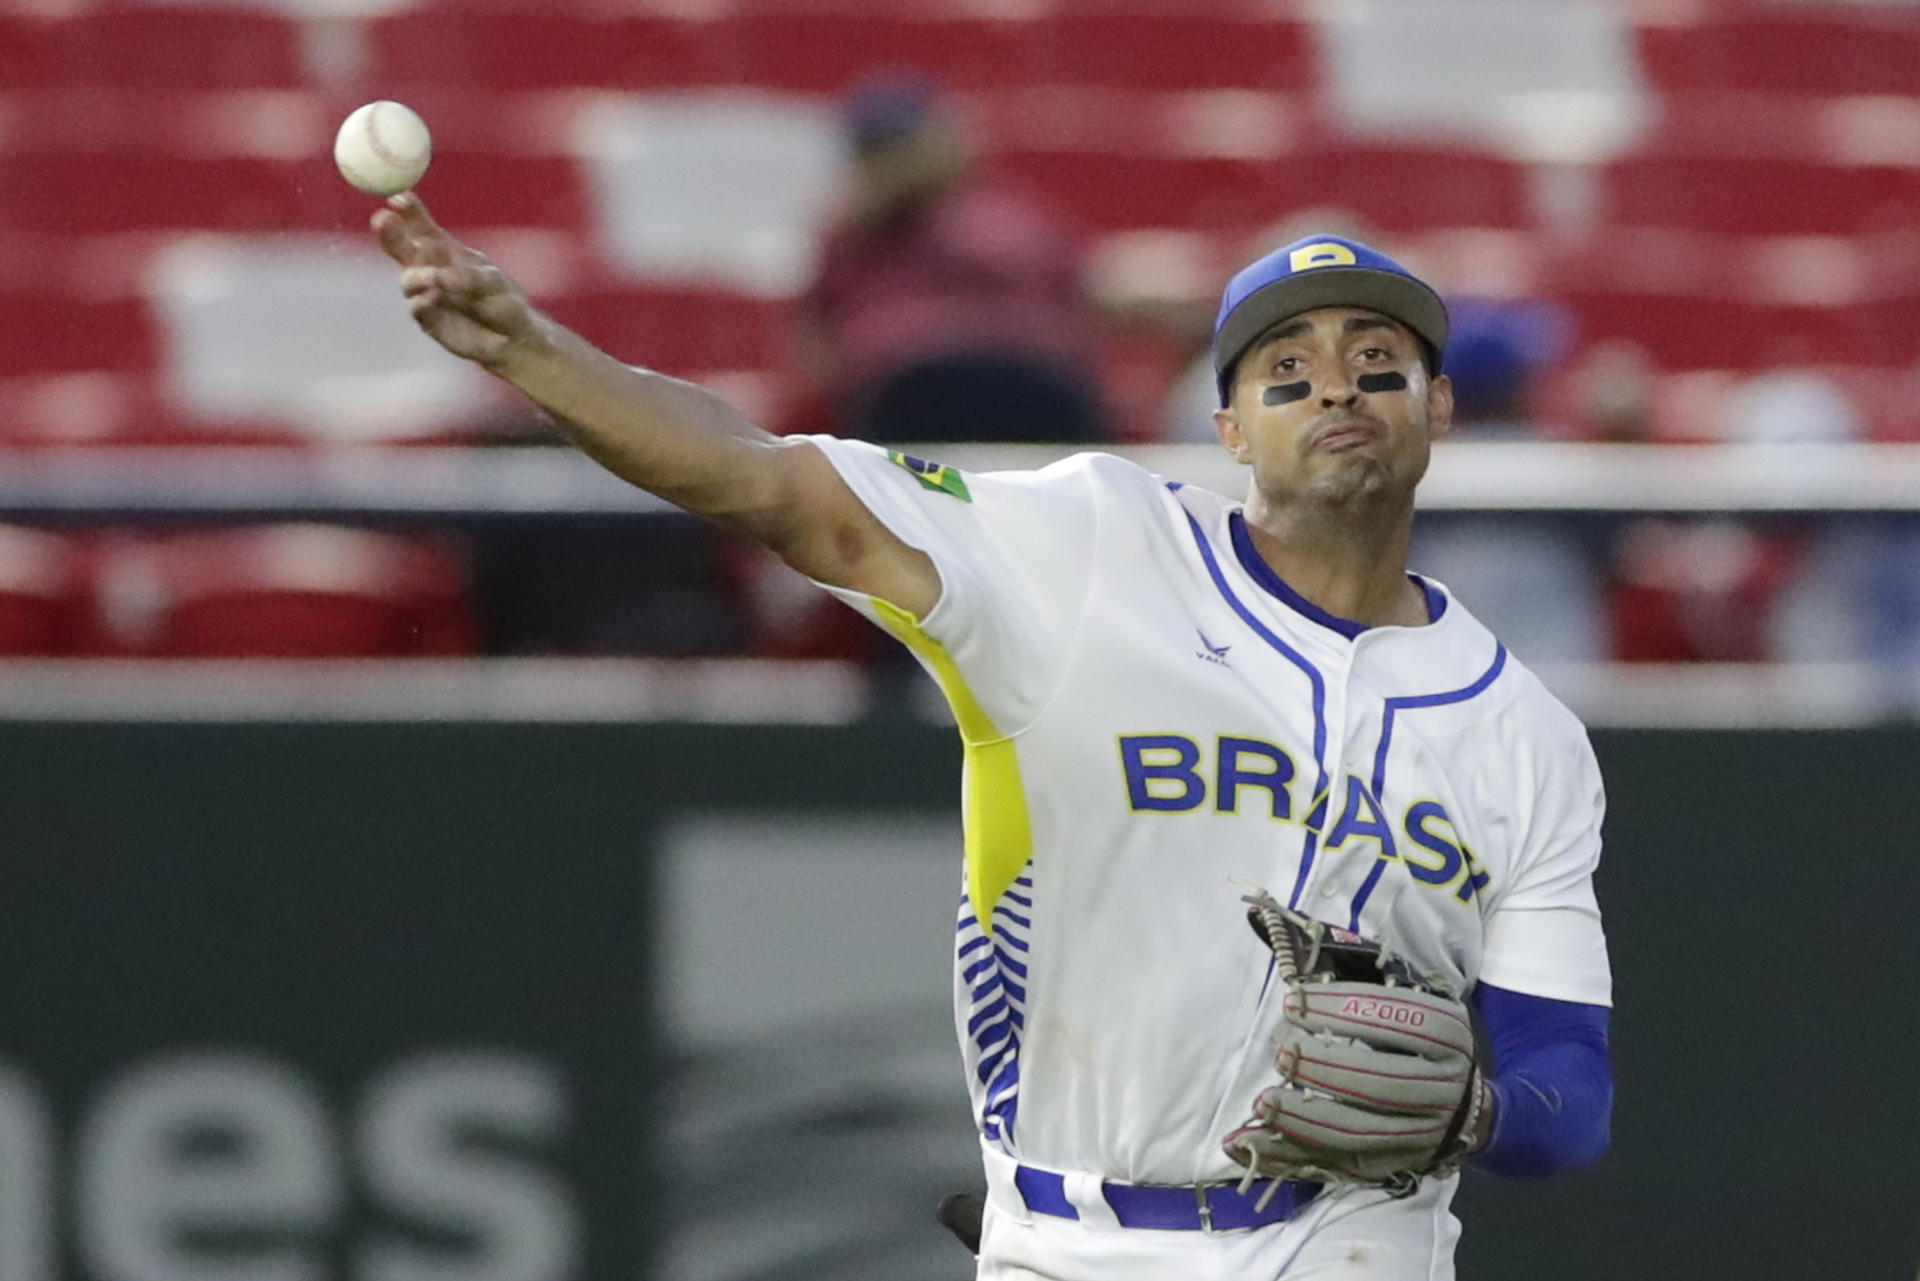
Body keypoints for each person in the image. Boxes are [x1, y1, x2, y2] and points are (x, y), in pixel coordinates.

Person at [374, 200, 1614, 1279]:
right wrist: (537, 356)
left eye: (1377, 358)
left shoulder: (1526, 739)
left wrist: (1478, 1109)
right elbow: (771, 483)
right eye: (1284, 370)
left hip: (1358, 1245)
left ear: (1440, 404)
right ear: (1228, 426)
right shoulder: (1089, 547)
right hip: (1067, 1242)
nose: (1335, 386)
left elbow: (1570, 1093)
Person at [790, 74, 1110, 446]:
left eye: (908, 144)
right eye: (885, 150)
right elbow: (815, 347)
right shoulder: (851, 229)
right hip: (909, 384)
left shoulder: (1010, 217)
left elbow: (1079, 303)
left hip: (1037, 380)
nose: (903, 159)